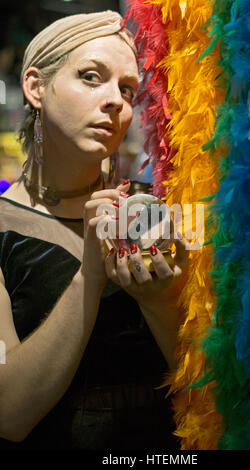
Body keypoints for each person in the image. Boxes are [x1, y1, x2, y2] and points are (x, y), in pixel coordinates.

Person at [0, 11, 189, 450]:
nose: (115, 102)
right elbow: (9, 415)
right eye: (90, 77)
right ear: (35, 87)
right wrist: (90, 275)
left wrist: (161, 303)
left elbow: (215, 395)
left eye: (126, 89)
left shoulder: (156, 215)